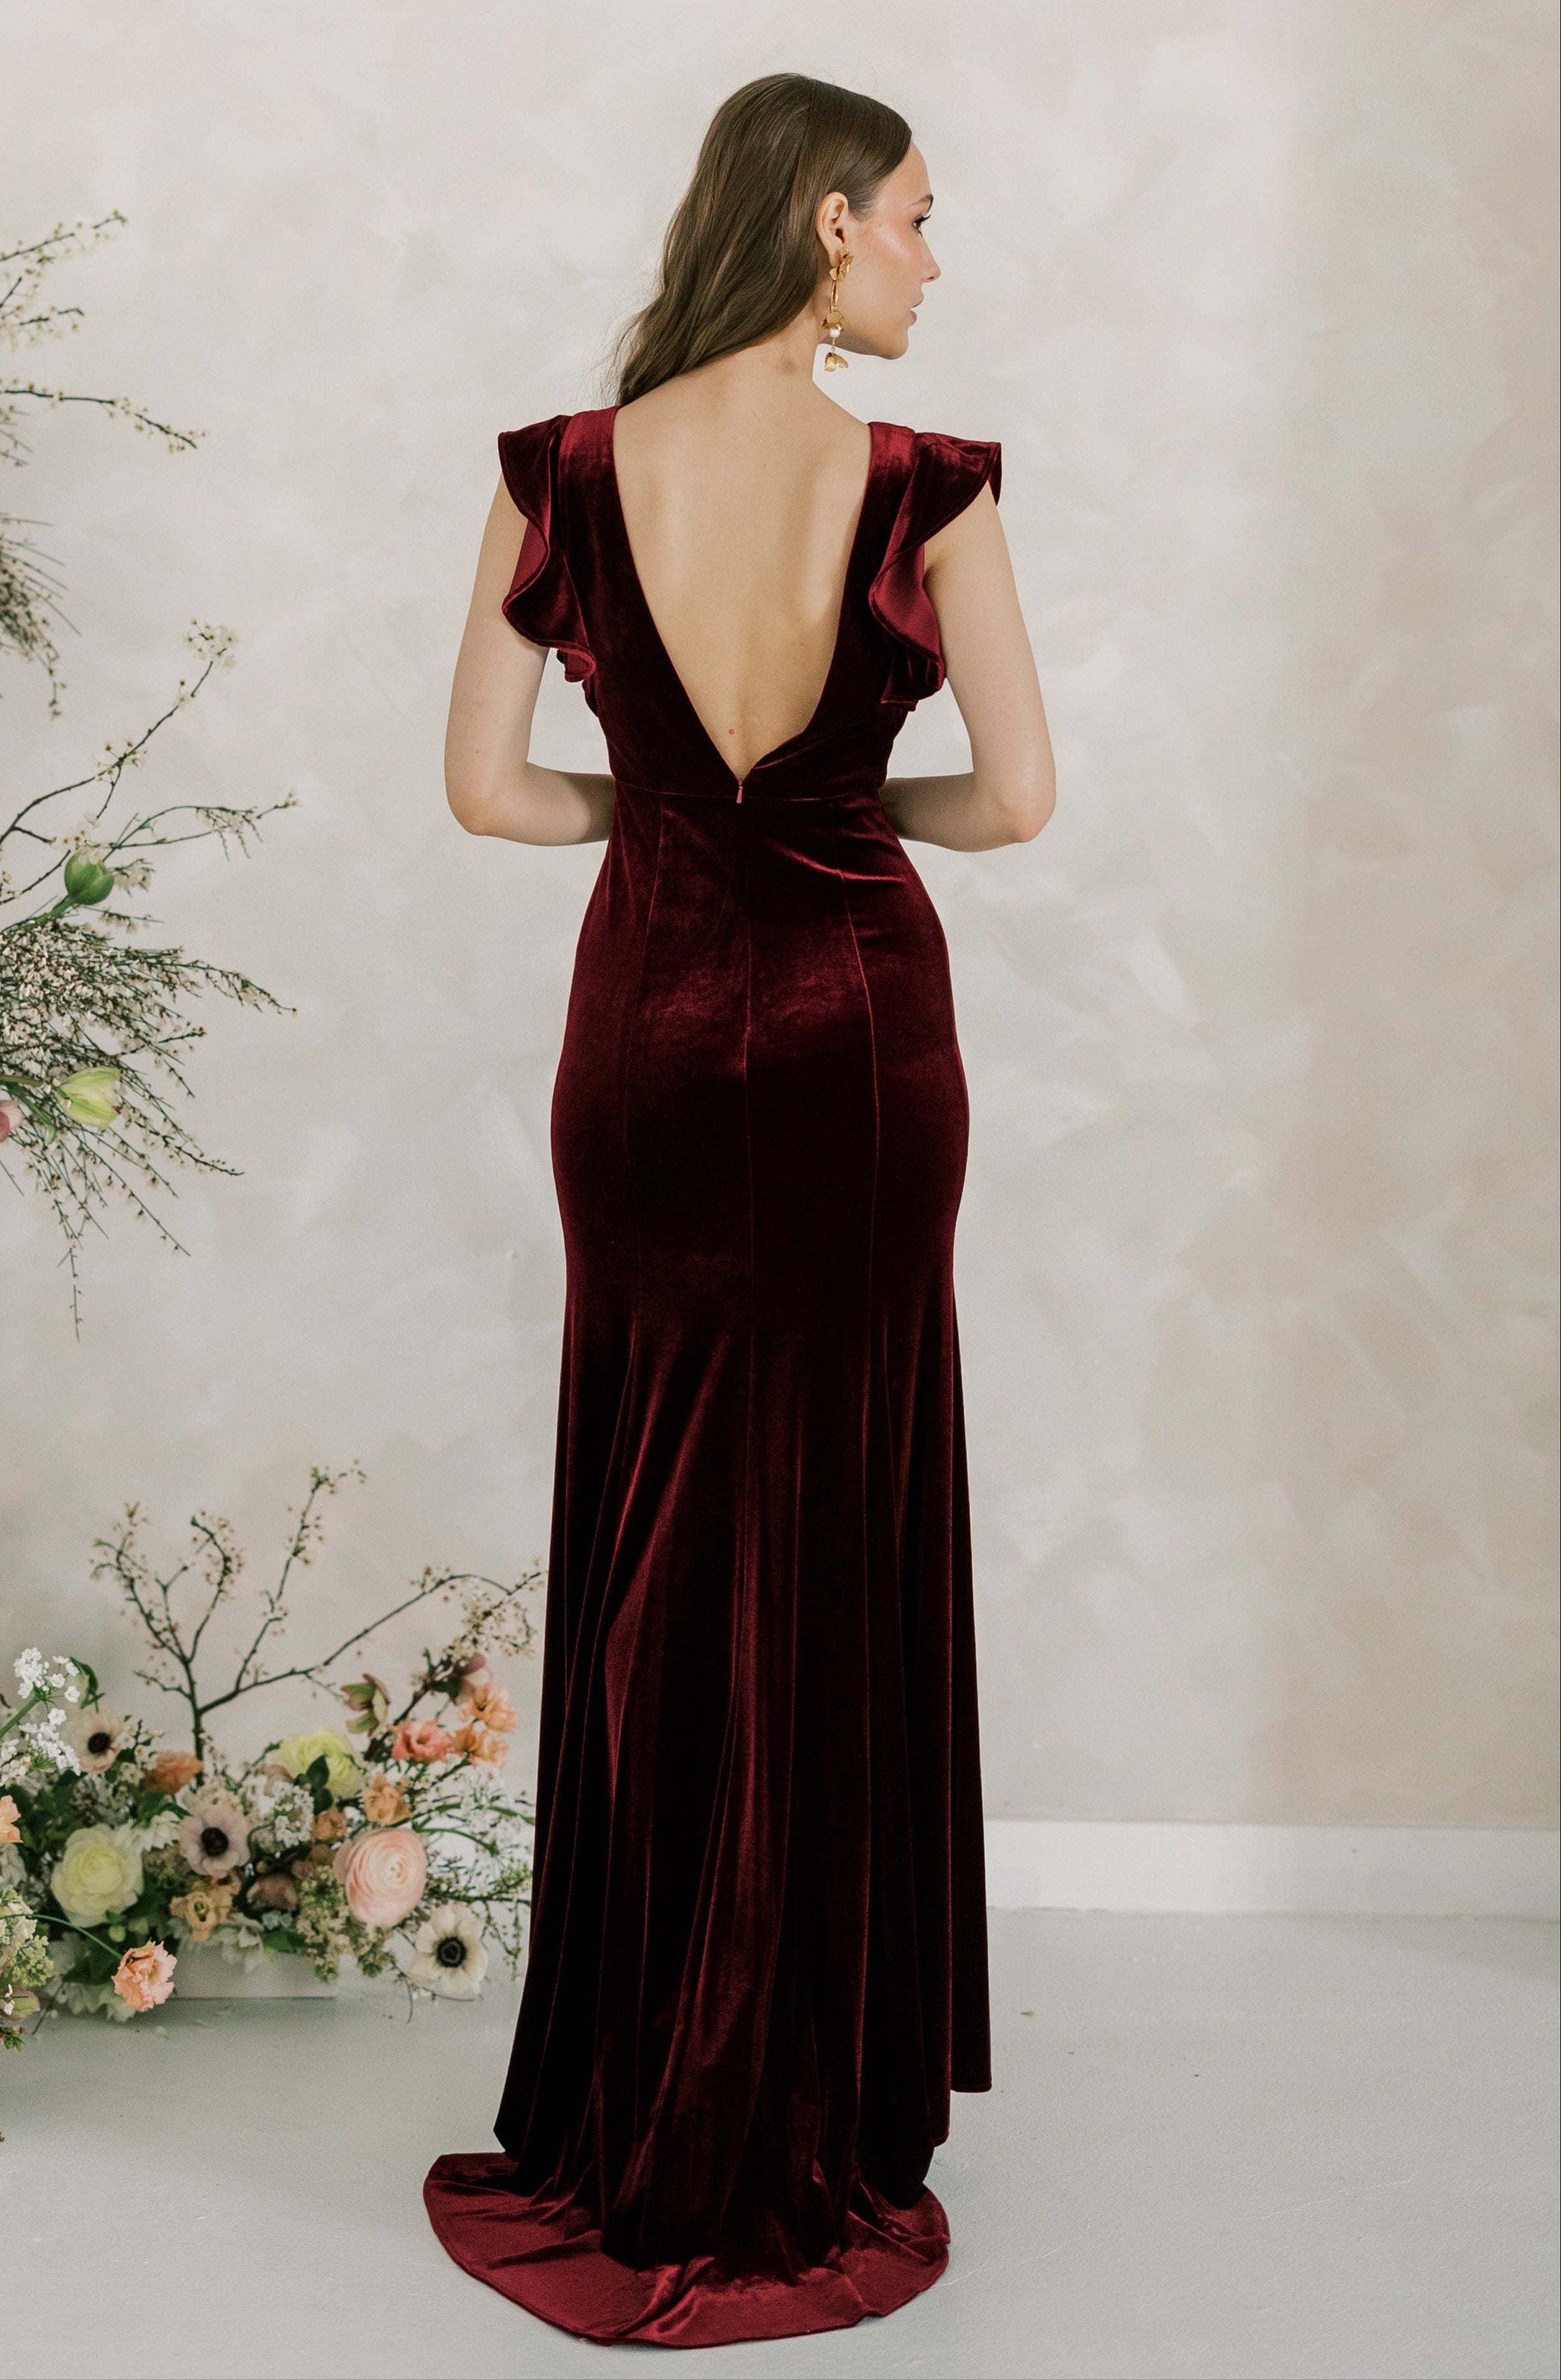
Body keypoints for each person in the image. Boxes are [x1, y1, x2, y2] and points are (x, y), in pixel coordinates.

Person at [427, 70, 1054, 2351]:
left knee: (669, 1512)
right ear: (815, 221)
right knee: (841, 1511)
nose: (929, 253)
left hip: (654, 1039)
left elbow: (491, 794)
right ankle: (813, 2094)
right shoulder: (920, 487)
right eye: (911, 212)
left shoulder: (565, 476)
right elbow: (1023, 796)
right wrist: (843, 818)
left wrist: (674, 816)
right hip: (868, 1038)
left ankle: (638, 2089)